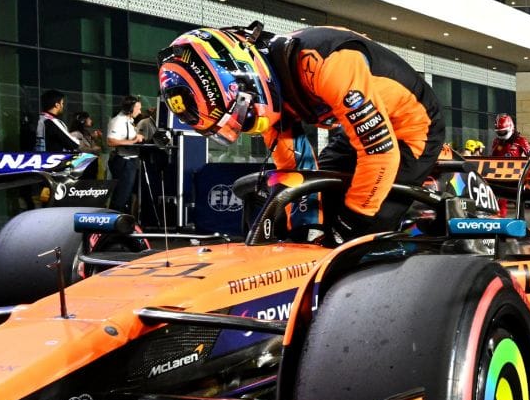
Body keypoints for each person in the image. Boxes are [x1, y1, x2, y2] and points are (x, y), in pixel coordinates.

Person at [159, 24, 445, 240]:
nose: (250, 125)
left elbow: (380, 154)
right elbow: (295, 169)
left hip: (412, 128)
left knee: (362, 229)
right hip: (354, 131)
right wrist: (298, 232)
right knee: (320, 206)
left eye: (244, 119)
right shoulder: (266, 92)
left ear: (242, 81)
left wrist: (349, 225)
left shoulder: (328, 64)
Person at [106, 95, 146, 214]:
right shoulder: (118, 121)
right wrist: (134, 140)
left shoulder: (130, 121)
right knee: (121, 195)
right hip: (124, 161)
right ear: (130, 108)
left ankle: (123, 221)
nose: (140, 111)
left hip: (131, 161)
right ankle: (113, 223)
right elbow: (110, 141)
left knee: (127, 194)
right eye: (138, 108)